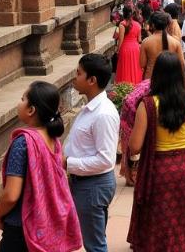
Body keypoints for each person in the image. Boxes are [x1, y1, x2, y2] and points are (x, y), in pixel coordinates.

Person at [127, 51, 185, 252]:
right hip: (184, 167)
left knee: (157, 215)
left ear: (156, 75)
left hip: (157, 168)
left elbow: (135, 146)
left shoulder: (147, 105)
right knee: (181, 214)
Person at [0, 82, 82, 252]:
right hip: (45, 225)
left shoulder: (23, 143)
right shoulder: (53, 140)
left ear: (31, 110)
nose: (19, 102)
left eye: (22, 99)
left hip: (21, 227)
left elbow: (11, 195)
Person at [120, 12, 185, 184]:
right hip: (171, 86)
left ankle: (132, 170)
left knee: (134, 124)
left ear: (152, 25)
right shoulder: (175, 42)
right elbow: (182, 65)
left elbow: (142, 64)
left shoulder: (147, 42)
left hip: (149, 86)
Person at [64, 55, 120, 252]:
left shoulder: (103, 114)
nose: (75, 77)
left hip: (93, 186)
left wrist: (67, 163)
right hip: (86, 184)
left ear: (92, 80)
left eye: (79, 73)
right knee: (93, 239)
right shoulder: (90, 108)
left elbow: (105, 159)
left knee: (95, 246)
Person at [115, 7, 143, 85]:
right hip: (135, 48)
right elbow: (139, 39)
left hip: (125, 48)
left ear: (123, 13)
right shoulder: (138, 24)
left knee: (125, 68)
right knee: (135, 67)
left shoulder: (122, 24)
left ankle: (124, 88)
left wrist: (117, 50)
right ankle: (135, 86)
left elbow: (120, 39)